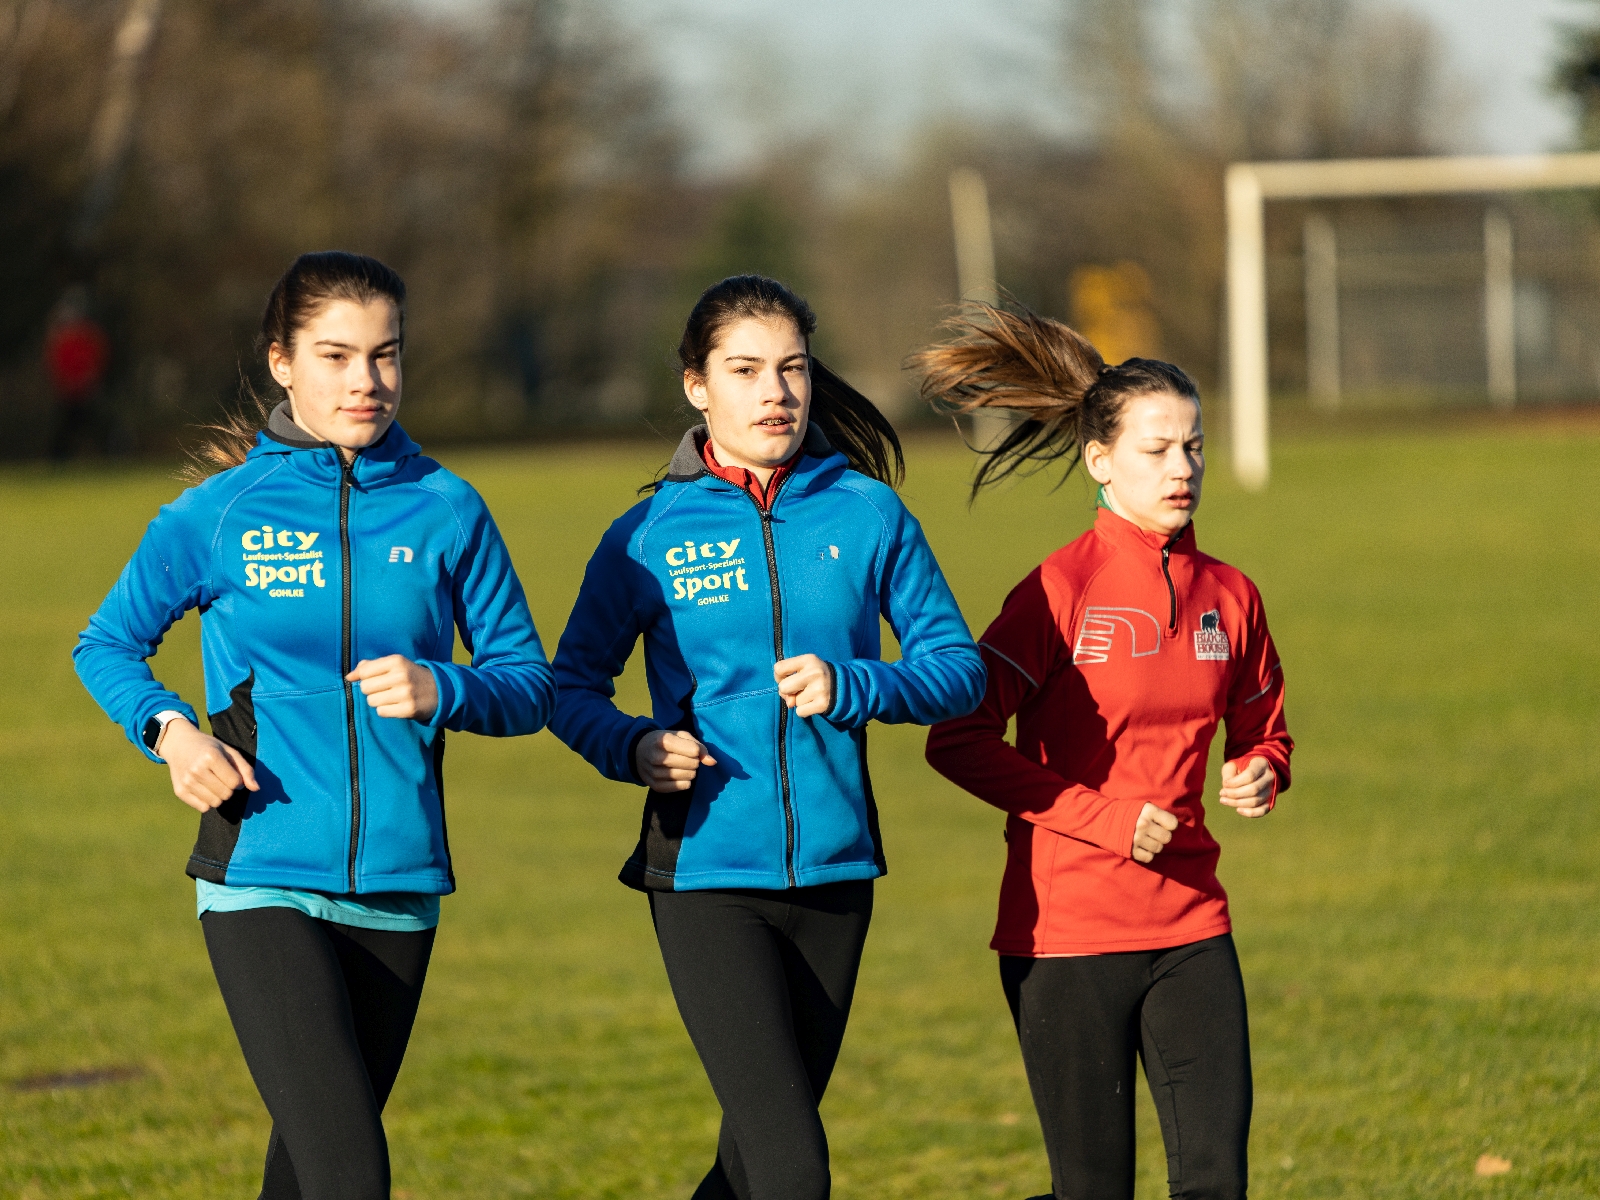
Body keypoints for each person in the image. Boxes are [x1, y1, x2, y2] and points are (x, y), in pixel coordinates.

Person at [73, 251, 556, 1200]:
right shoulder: (218, 514)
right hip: (259, 874)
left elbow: (529, 684)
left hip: (400, 882)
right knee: (348, 1172)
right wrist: (173, 732)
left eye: (386, 355)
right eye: (336, 356)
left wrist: (442, 688)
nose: (366, 382)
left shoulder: (450, 507)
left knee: (304, 1171)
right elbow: (106, 645)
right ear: (283, 363)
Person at [550, 274, 986, 1200]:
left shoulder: (868, 514)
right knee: (793, 1167)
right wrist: (631, 747)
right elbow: (570, 687)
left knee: (752, 1164)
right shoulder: (646, 533)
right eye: (745, 370)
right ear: (697, 386)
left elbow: (958, 669)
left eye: (791, 369)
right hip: (706, 875)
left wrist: (855, 684)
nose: (775, 393)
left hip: (836, 874)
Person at [915, 304, 1294, 1200]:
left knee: (1216, 1184)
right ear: (1100, 460)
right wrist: (1106, 820)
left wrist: (1261, 771)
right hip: (1067, 937)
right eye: (1157, 449)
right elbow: (957, 739)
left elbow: (1265, 726)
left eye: (1193, 447)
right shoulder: (1056, 591)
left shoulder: (1231, 596)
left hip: (1194, 926)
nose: (1183, 468)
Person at [45, 286, 110, 460]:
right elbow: (57, 366)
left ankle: (109, 453)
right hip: (69, 392)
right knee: (68, 426)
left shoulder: (89, 335)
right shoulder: (62, 339)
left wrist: (89, 380)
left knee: (92, 424)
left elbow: (97, 360)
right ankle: (58, 457)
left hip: (86, 390)